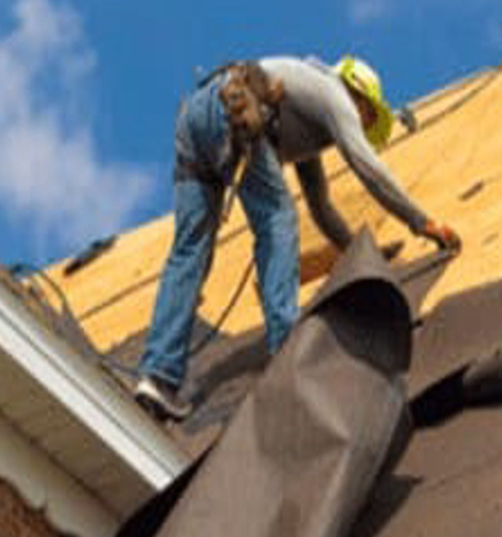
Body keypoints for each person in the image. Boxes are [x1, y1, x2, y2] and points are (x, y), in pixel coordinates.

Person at [134, 55, 461, 420]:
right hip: (236, 109)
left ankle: (157, 378)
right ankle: (286, 348)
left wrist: (362, 255)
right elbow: (368, 167)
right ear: (359, 96)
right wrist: (423, 223)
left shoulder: (302, 114)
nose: (364, 125)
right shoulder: (334, 96)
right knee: (277, 218)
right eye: (369, 115)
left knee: (190, 252)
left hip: (197, 118)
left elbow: (321, 207)